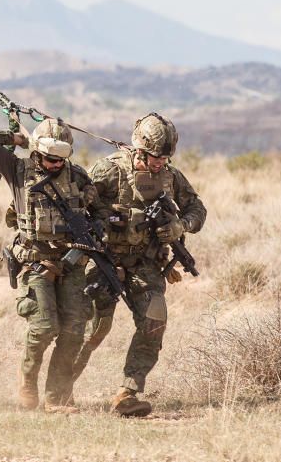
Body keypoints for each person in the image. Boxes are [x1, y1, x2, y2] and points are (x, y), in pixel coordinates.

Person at [73, 113, 207, 417]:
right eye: (154, 156)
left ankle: (128, 393)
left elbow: (197, 209)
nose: (159, 162)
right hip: (106, 260)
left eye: (164, 157)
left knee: (154, 322)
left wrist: (180, 227)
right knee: (96, 328)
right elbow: (78, 205)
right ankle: (61, 387)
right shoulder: (109, 170)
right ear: (139, 149)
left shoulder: (171, 177)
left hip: (146, 264)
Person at [0, 118, 106, 413]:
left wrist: (96, 229)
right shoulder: (18, 169)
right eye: (49, 158)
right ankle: (28, 380)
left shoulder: (78, 177)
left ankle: (58, 396)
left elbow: (99, 212)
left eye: (61, 159)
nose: (55, 165)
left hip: (71, 262)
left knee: (74, 330)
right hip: (35, 261)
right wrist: (17, 139)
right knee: (45, 326)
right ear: (38, 152)